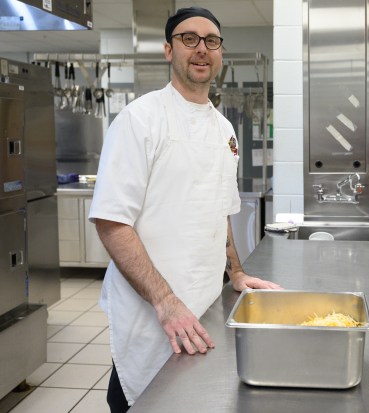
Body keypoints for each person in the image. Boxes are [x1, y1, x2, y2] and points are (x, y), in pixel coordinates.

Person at [89, 7, 281, 412]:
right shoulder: (139, 120)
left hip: (205, 301)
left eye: (211, 41)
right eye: (189, 38)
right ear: (167, 50)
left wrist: (237, 272)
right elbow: (111, 222)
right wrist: (166, 302)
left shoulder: (223, 129)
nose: (201, 49)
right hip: (151, 307)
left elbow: (221, 209)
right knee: (144, 396)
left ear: (220, 54)